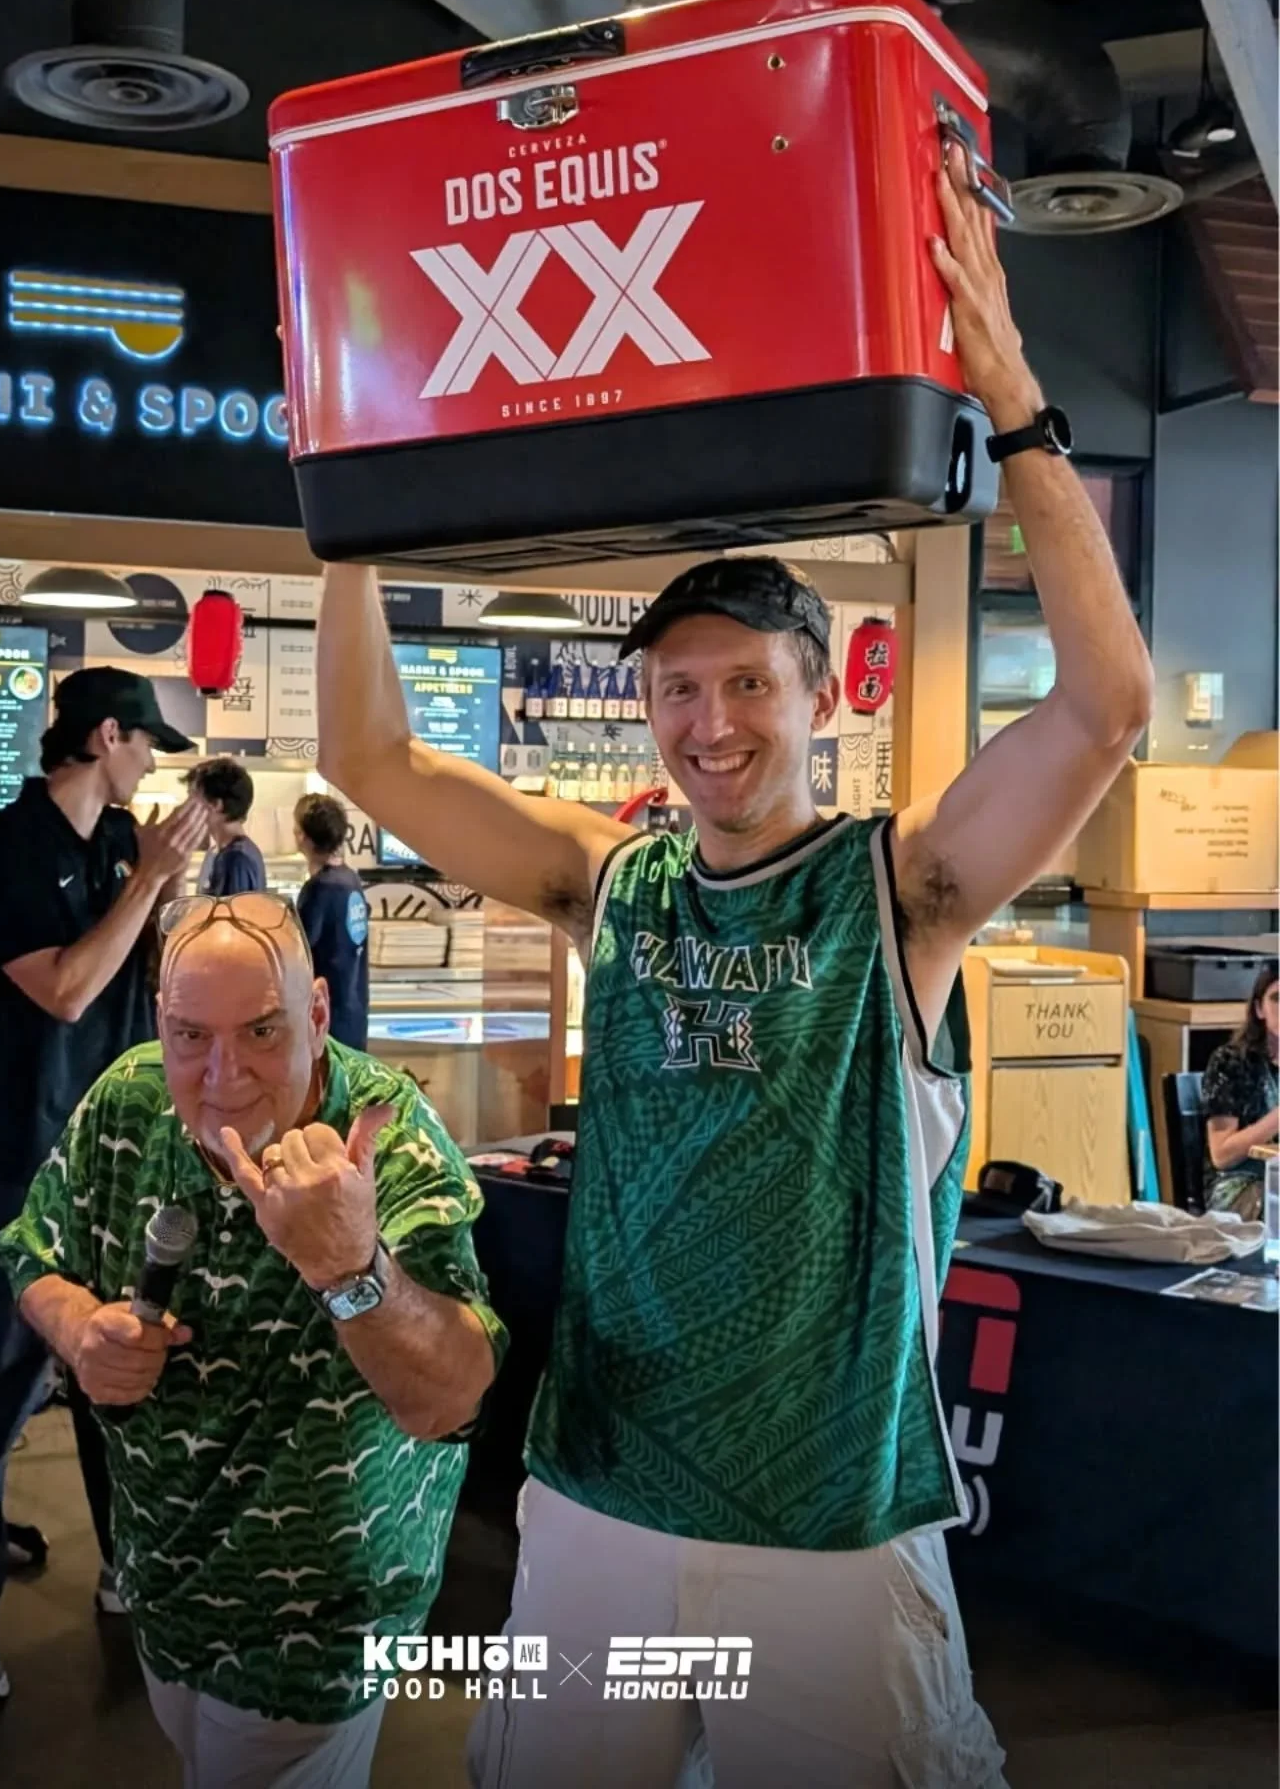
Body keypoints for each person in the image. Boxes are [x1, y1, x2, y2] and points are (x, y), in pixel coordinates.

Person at [311, 144, 1154, 1788]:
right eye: (678, 692)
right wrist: (359, 513)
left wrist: (1018, 402)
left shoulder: (900, 891)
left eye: (747, 687)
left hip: (825, 1524)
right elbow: (371, 755)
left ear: (818, 693)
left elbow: (1104, 709)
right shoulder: (603, 882)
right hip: (605, 1497)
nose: (710, 726)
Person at [0, 889, 503, 1789]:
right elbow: (30, 1249)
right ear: (162, 1021)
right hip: (164, 1586)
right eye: (193, 1035)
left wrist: (351, 1269)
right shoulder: (130, 1100)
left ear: (316, 1010)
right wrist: (79, 1331)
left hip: (321, 1621)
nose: (224, 1075)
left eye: (263, 1032)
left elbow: (448, 1397)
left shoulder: (385, 1142)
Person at [0, 667, 208, 1702]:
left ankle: (127, 1567)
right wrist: (146, 884)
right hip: (23, 1169)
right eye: (144, 749)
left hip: (117, 1164)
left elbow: (134, 993)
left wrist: (162, 892)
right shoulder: (10, 852)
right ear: (106, 737)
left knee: (124, 1379)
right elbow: (61, 990)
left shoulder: (110, 853)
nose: (149, 772)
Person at [1200, 962, 1279, 1219]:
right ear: (1259, 1009)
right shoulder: (1231, 1062)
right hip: (1239, 1187)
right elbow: (1222, 1155)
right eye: (1277, 998)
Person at [294, 792, 370, 1050]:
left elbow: (296, 956)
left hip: (326, 1025)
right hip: (353, 1016)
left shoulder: (319, 890)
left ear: (302, 836)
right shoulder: (351, 880)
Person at [188, 757, 267, 896]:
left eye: (193, 799)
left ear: (216, 805)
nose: (187, 807)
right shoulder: (216, 853)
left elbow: (230, 916)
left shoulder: (236, 859)